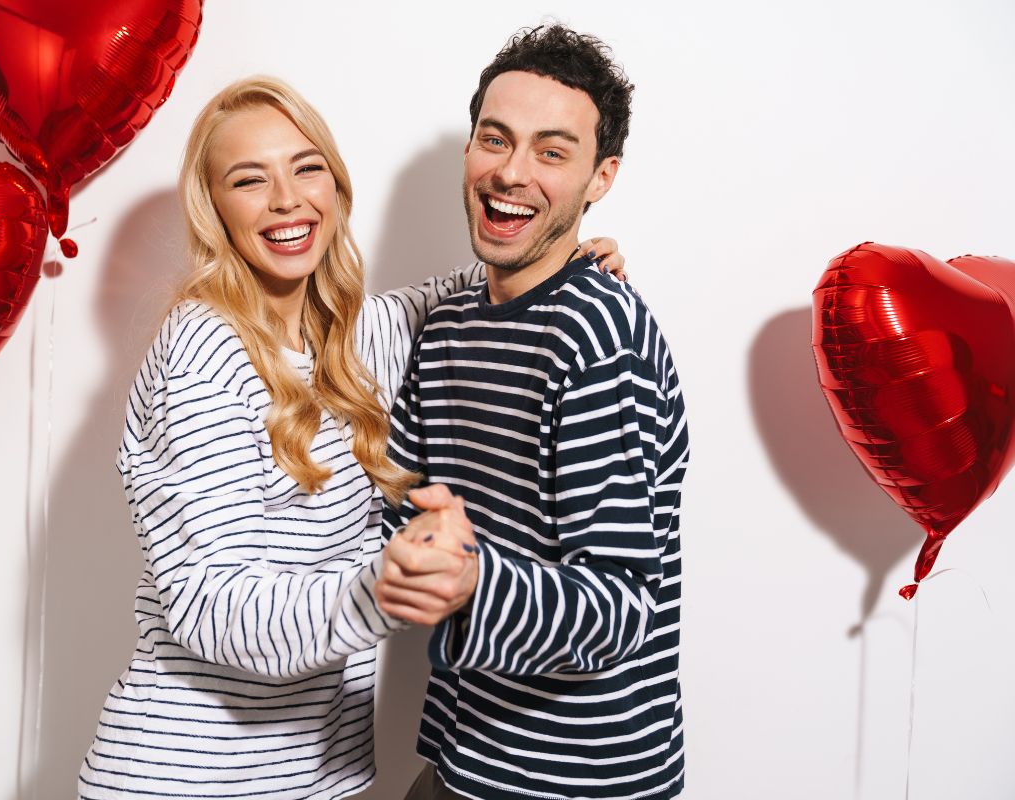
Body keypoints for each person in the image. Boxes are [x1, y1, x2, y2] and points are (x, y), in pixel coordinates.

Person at [76, 75, 626, 800]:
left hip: (315, 777)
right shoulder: (202, 358)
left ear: (334, 185)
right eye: (249, 180)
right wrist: (379, 592)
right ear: (214, 210)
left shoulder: (360, 334)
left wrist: (572, 259)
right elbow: (208, 604)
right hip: (191, 778)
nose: (286, 200)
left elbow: (477, 286)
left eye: (307, 168)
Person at [377, 24, 690, 800]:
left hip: (578, 776)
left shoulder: (598, 337)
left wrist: (470, 585)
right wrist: (415, 545)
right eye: (495, 139)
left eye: (552, 152)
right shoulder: (451, 320)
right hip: (467, 749)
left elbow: (620, 606)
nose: (511, 173)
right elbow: (401, 499)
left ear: (600, 177)